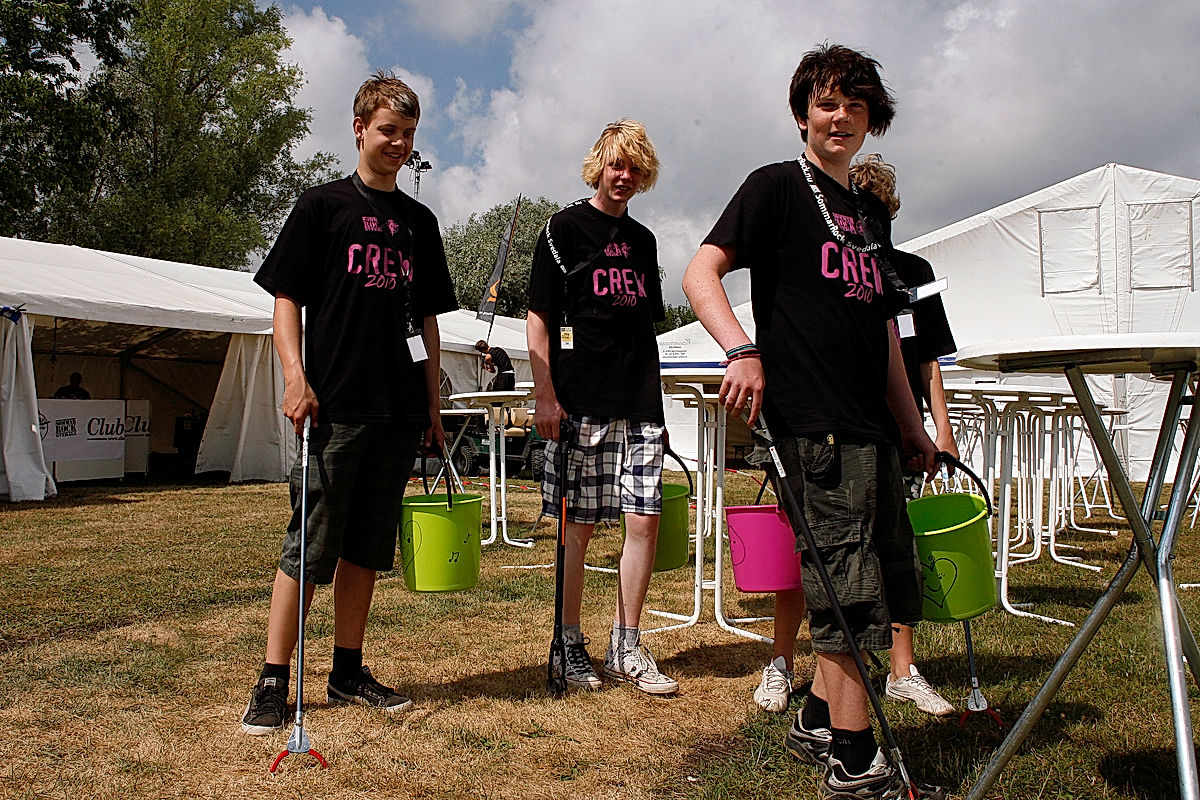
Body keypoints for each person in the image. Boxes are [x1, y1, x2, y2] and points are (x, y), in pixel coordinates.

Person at [682, 45, 946, 799]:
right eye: (827, 103)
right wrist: (742, 350)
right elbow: (700, 272)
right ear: (803, 115)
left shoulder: (868, 214)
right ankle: (855, 762)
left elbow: (885, 334)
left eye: (855, 106)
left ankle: (817, 718)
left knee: (882, 578)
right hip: (815, 423)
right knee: (847, 588)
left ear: (872, 121)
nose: (840, 117)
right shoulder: (775, 187)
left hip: (873, 426)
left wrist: (912, 425)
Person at [240, 70, 458, 736]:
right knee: (309, 548)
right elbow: (286, 298)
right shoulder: (322, 206)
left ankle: (347, 670)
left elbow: (427, 322)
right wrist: (294, 377)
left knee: (366, 549)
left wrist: (431, 404)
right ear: (360, 128)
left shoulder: (420, 223)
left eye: (409, 133)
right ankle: (272, 681)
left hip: (399, 410)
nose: (399, 143)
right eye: (388, 130)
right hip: (335, 407)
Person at [751, 155, 958, 719]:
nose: (867, 219)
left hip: (888, 427)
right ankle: (788, 667)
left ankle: (892, 676)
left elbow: (923, 357)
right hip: (826, 423)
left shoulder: (909, 273)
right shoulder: (814, 244)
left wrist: (930, 427)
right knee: (823, 553)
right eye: (859, 207)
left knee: (887, 557)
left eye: (879, 210)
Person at [527, 119, 677, 695]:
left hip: (639, 401)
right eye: (617, 165)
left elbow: (644, 324)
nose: (625, 176)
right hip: (580, 402)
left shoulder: (644, 241)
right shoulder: (562, 229)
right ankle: (568, 641)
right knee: (579, 526)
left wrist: (654, 403)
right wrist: (546, 394)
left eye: (635, 168)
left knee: (645, 519)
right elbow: (539, 316)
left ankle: (627, 642)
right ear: (599, 167)